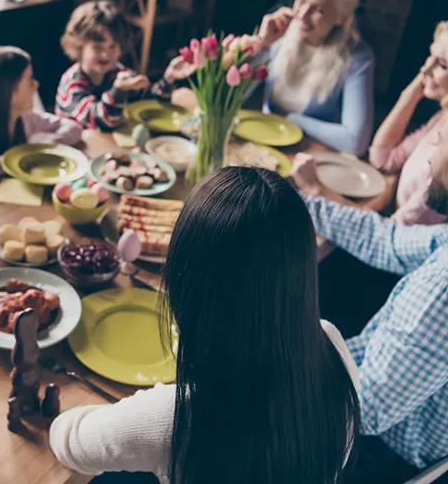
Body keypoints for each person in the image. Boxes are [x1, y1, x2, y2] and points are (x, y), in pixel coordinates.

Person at [50, 167, 361, 483]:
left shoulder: (175, 417)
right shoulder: (332, 343)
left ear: (186, 279)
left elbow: (68, 441)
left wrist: (145, 403)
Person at [292, 81, 448, 481]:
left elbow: (362, 409)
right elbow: (390, 241)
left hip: (375, 458)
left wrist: (273, 343)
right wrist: (299, 201)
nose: (430, 156)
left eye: (440, 140)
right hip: (429, 434)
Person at [295, 12, 448, 225]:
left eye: (442, 64)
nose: (426, 68)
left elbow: (392, 236)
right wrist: (412, 93)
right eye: (430, 56)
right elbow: (383, 158)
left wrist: (318, 190)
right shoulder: (444, 119)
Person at [255, 0, 375, 155]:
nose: (301, 16)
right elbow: (229, 97)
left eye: (318, 9)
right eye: (301, 0)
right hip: (263, 145)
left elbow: (355, 141)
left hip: (308, 156)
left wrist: (290, 118)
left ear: (342, 17)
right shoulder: (280, 29)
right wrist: (262, 45)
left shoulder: (359, 57)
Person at [55, 0, 196, 131]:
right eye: (98, 48)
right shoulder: (71, 84)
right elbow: (101, 121)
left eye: (113, 46)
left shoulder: (118, 71)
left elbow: (153, 101)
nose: (106, 55)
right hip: (77, 147)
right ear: (79, 46)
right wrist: (119, 90)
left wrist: (168, 78)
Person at [0, 46, 82, 184]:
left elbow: (73, 128)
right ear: (10, 92)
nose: (36, 84)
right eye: (29, 79)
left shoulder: (26, 117)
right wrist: (15, 159)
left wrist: (47, 145)